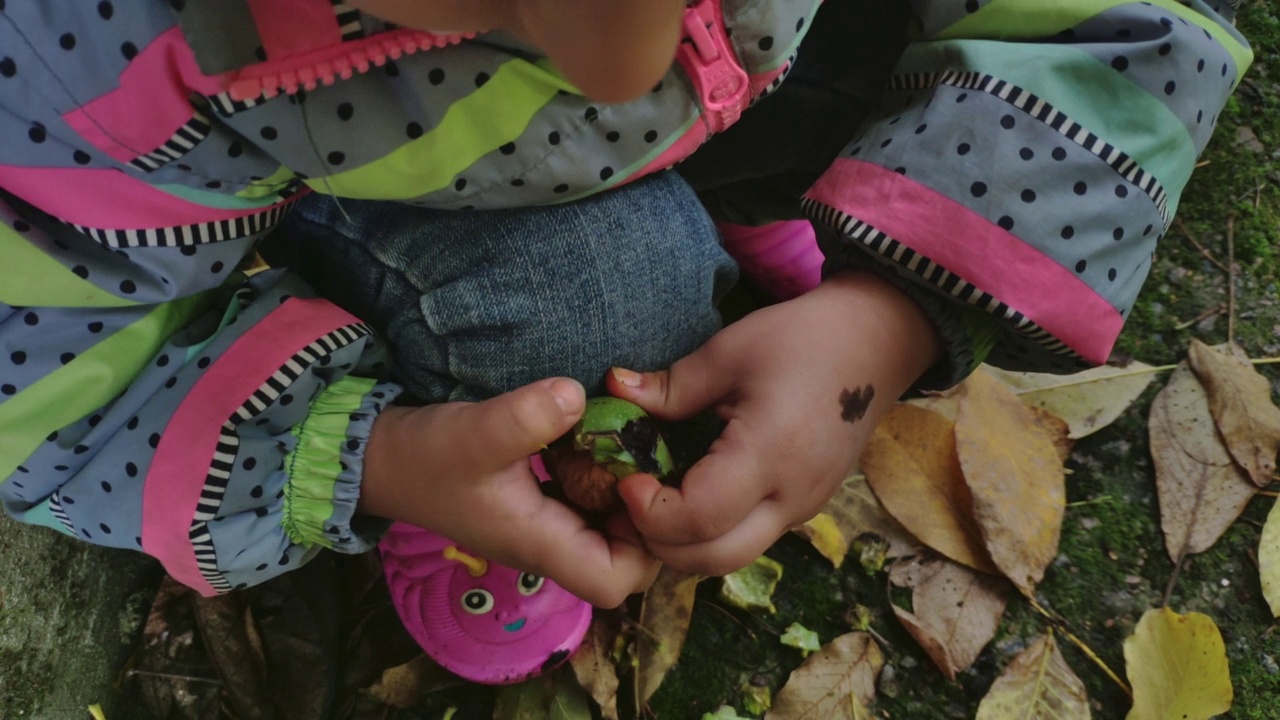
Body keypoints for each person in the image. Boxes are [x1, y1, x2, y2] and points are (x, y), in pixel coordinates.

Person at [0, 0, 1251, 627]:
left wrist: (890, 310)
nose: (615, 64)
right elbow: (45, 401)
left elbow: (1137, 28)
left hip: (736, 65)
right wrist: (366, 458)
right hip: (347, 147)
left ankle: (848, 197)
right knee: (616, 325)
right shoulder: (76, 50)